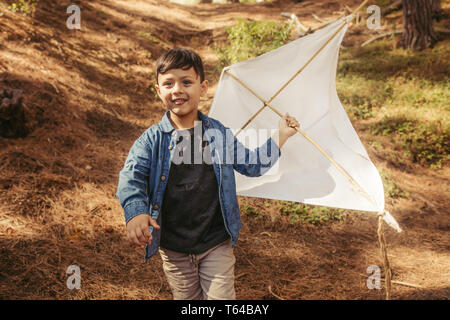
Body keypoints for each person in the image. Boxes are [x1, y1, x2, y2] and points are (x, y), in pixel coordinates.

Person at [116, 48, 299, 300]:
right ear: (159, 91)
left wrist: (280, 135)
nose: (177, 89)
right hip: (174, 246)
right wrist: (136, 213)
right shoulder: (151, 141)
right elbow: (131, 178)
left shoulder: (218, 134)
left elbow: (252, 164)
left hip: (215, 242)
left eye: (186, 82)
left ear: (203, 88)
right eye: (168, 83)